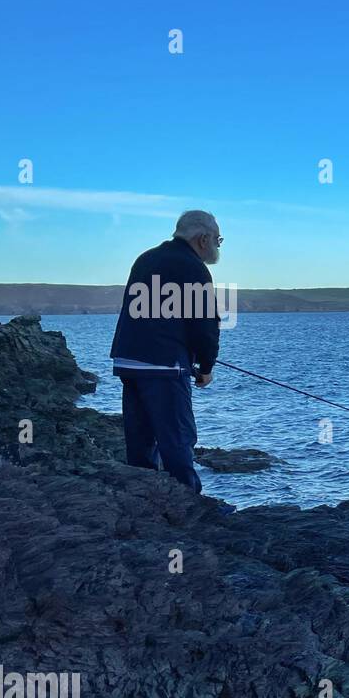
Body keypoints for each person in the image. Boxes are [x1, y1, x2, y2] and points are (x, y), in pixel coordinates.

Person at [109, 210, 222, 492]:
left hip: (129, 361)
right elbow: (204, 323)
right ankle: (188, 503)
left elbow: (149, 313)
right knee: (177, 438)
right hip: (163, 365)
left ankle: (142, 499)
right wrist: (206, 367)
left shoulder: (146, 258)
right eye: (218, 240)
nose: (218, 246)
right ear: (203, 239)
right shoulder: (192, 267)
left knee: (140, 440)